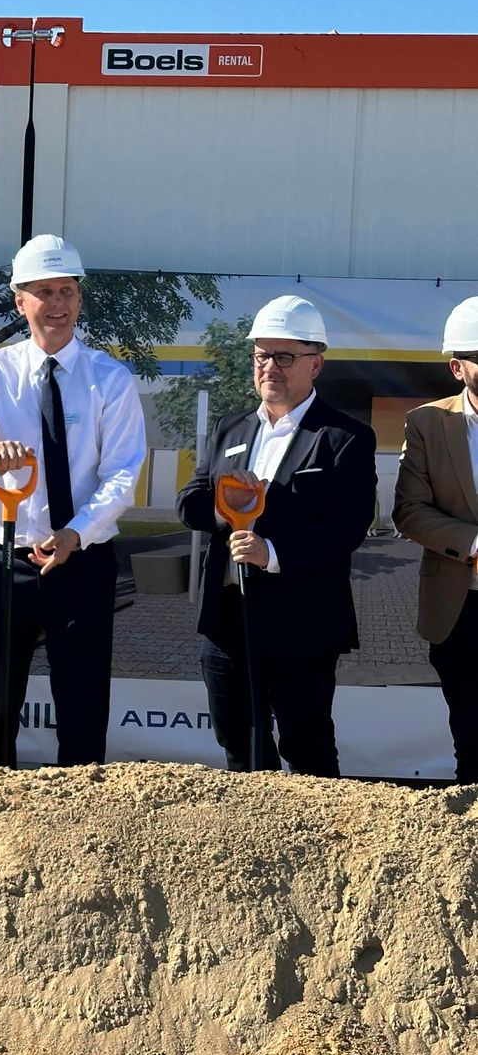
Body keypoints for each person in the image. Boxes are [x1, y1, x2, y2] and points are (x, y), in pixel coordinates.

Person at [0, 235, 145, 767]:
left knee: (82, 702)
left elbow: (122, 473)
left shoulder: (110, 379)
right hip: (4, 561)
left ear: (79, 298)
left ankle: (79, 808)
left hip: (82, 561)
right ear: (20, 301)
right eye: (44, 292)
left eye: (66, 291)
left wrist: (76, 532)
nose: (57, 304)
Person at [177, 295, 375, 776]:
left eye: (284, 356)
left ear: (315, 364)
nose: (270, 367)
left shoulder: (344, 437)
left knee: (307, 748)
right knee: (238, 742)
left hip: (301, 621)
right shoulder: (230, 428)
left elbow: (348, 527)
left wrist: (271, 551)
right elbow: (190, 502)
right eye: (262, 355)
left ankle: (315, 826)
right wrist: (228, 508)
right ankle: (252, 824)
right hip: (227, 617)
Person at [393, 297, 478, 783]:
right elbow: (409, 510)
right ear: (457, 367)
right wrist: (474, 543)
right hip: (462, 607)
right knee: (471, 731)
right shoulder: (427, 422)